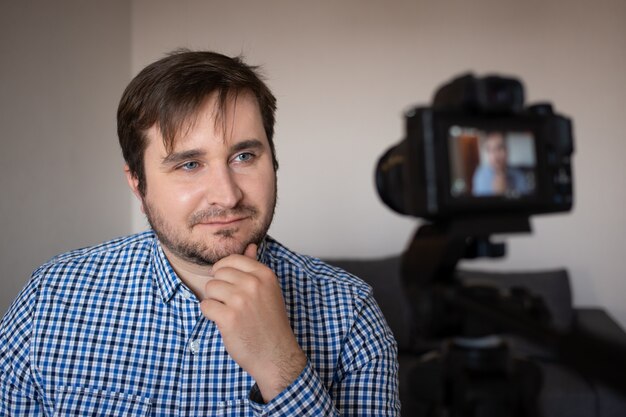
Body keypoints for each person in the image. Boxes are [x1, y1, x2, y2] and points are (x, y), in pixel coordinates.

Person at [0, 50, 400, 416]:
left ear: (273, 161)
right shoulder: (50, 297)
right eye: (189, 164)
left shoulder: (351, 314)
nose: (227, 196)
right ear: (137, 184)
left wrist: (278, 364)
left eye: (244, 156)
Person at [472, 131, 531, 197]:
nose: (495, 156)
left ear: (507, 151)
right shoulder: (480, 174)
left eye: (499, 148)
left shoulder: (519, 176)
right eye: (490, 150)